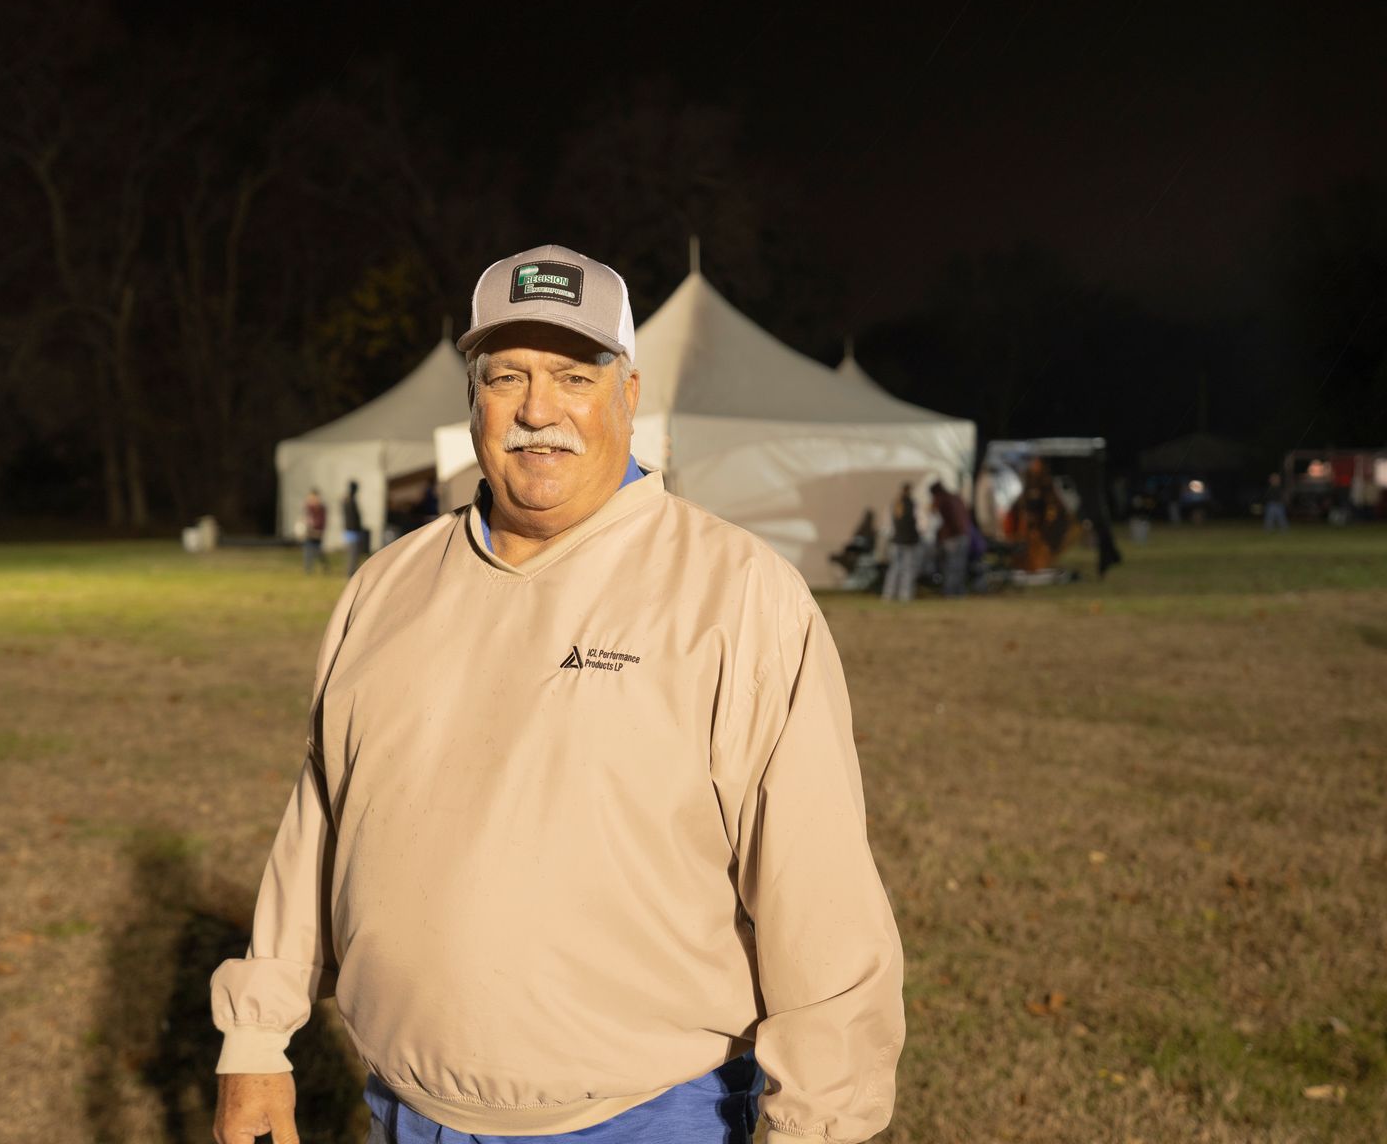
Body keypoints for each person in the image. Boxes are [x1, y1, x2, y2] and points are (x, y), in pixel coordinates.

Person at [211, 244, 904, 1144]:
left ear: (629, 392)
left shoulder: (735, 593)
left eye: (575, 375)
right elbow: (321, 823)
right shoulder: (385, 588)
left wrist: (821, 1126)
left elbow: (819, 897)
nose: (540, 410)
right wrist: (257, 1042)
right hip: (408, 1113)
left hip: (651, 1117)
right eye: (508, 377)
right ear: (474, 397)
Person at [882, 481, 922, 601]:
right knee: (907, 569)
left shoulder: (894, 504)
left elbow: (888, 526)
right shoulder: (912, 504)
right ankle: (905, 595)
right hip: (909, 542)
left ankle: (888, 594)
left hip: (895, 541)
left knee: (894, 569)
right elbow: (918, 524)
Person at [931, 479, 971, 597]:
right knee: (959, 566)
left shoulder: (941, 500)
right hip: (963, 535)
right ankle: (959, 592)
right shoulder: (955, 498)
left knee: (950, 566)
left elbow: (937, 521)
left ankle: (950, 592)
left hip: (951, 537)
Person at [340, 480, 366, 576]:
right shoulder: (350, 501)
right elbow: (353, 518)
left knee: (352, 554)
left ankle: (351, 572)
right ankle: (351, 573)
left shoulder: (347, 500)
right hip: (352, 531)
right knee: (352, 554)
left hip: (350, 531)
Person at [300, 488, 327, 574]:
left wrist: (320, 531)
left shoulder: (321, 508)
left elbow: (322, 521)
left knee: (318, 551)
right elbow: (305, 519)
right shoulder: (308, 508)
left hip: (317, 532)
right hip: (309, 532)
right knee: (308, 551)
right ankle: (308, 569)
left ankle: (325, 566)